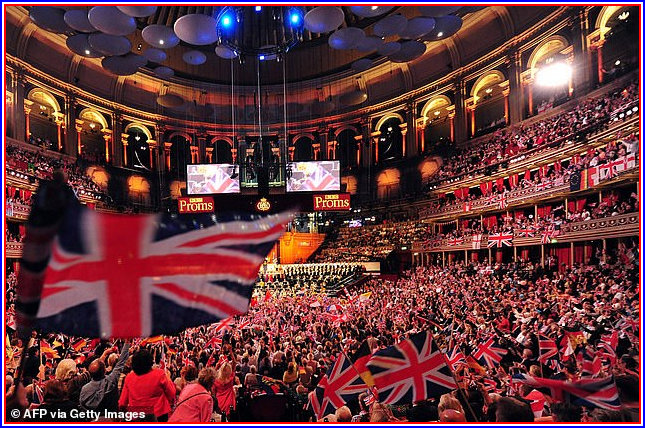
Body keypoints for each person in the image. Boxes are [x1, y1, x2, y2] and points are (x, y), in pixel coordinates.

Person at [118, 349, 175, 421]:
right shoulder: (159, 374)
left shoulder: (129, 377)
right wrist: (169, 378)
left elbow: (122, 403)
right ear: (150, 362)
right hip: (159, 415)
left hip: (137, 417)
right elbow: (172, 393)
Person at [79, 343, 130, 412]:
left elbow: (82, 407)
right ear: (104, 371)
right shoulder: (110, 381)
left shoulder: (84, 389)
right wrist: (127, 343)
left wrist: (105, 354)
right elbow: (121, 361)